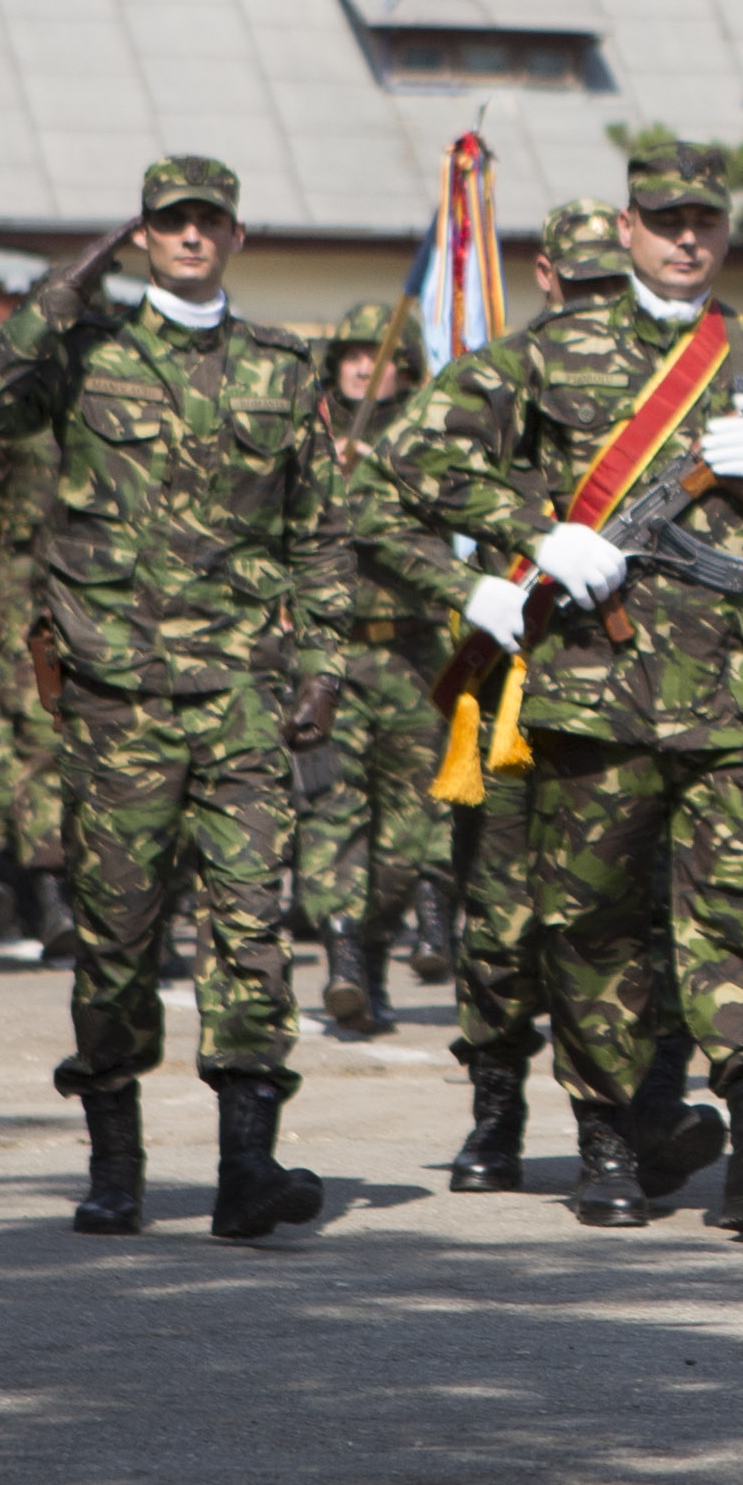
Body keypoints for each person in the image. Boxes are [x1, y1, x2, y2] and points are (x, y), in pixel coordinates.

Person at [377, 144, 743, 1232]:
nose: (686, 237)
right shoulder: (551, 353)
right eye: (665, 219)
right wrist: (535, 533)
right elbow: (411, 456)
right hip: (595, 694)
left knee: (740, 911)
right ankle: (607, 1137)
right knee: (593, 921)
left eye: (704, 219)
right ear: (628, 227)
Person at [0, 155, 343, 1243]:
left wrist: (323, 665)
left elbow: (320, 530)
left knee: (252, 924)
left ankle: (246, 1167)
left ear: (236, 235)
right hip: (117, 693)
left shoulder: (281, 367)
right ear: (141, 236)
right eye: (170, 222)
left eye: (208, 220)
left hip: (242, 693)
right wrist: (64, 289)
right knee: (118, 935)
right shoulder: (87, 350)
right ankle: (115, 1164)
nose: (190, 236)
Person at [388, 200, 707, 1198]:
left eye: (615, 291)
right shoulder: (507, 376)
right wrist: (470, 586)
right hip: (514, 690)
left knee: (637, 909)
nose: (599, 312)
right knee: (501, 919)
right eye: (585, 290)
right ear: (546, 278)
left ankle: (643, 1110)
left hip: (643, 689)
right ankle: (496, 1111)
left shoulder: (676, 386)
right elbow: (381, 498)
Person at [295, 300, 461, 1034]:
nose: (367, 367)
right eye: (355, 354)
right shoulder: (305, 436)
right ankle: (341, 961)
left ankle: (371, 952)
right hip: (329, 655)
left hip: (413, 655)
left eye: (383, 356)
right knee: (333, 811)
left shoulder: (431, 437)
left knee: (407, 828)